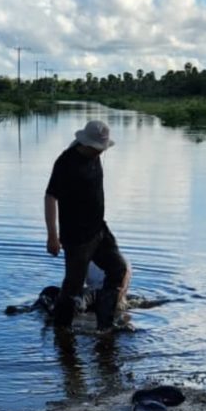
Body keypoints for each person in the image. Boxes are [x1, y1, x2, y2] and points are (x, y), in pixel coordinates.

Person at [44, 119, 129, 330]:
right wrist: (52, 236)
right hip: (77, 238)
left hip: (99, 229)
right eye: (98, 148)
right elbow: (50, 197)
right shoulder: (66, 163)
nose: (101, 152)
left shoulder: (95, 156)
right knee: (72, 288)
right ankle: (61, 330)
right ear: (87, 144)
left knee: (118, 269)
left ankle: (105, 325)